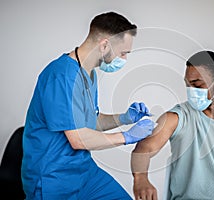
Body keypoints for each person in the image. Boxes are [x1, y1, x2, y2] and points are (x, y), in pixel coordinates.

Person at [22, 12, 155, 200]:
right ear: (104, 45)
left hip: (84, 172)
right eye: (123, 53)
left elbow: (91, 121)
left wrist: (124, 117)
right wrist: (127, 137)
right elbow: (78, 139)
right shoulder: (61, 76)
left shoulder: (89, 74)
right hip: (53, 177)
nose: (124, 59)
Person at [131, 50, 214, 200]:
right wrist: (141, 179)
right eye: (188, 85)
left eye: (197, 84)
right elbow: (143, 150)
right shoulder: (178, 117)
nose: (191, 91)